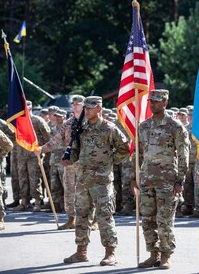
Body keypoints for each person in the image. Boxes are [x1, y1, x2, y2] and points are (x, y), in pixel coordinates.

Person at [62, 96, 129, 266]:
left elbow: (125, 148)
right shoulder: (81, 128)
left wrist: (111, 161)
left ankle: (110, 253)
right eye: (86, 108)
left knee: (104, 216)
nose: (88, 110)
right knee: (82, 215)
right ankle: (81, 251)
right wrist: (69, 159)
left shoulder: (109, 128)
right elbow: (76, 151)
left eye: (91, 107)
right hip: (83, 179)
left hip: (102, 181)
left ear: (99, 109)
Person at [130, 89, 190, 269]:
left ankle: (166, 255)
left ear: (165, 102)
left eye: (156, 101)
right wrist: (133, 177)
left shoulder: (175, 126)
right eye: (151, 101)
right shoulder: (144, 126)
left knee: (164, 220)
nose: (152, 104)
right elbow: (138, 154)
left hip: (167, 182)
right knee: (147, 219)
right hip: (147, 180)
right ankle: (153, 254)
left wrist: (180, 180)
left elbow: (183, 155)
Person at [35, 95, 85, 229]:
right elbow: (56, 140)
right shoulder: (68, 123)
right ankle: (71, 219)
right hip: (70, 163)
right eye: (73, 103)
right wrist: (42, 149)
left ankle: (92, 220)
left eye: (78, 103)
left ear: (84, 105)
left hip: (87, 164)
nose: (74, 105)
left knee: (87, 192)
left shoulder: (89, 122)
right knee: (68, 191)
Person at [14, 101, 51, 211]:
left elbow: (47, 137)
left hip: (34, 155)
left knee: (35, 178)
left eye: (27, 106)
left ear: (30, 108)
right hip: (21, 155)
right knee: (22, 179)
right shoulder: (18, 121)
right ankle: (25, 201)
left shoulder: (38, 120)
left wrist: (42, 150)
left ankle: (38, 202)